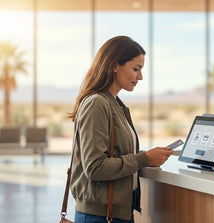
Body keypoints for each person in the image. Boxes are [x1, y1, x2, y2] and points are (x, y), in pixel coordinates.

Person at [69, 36, 173, 223]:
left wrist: (148, 156)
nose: (140, 77)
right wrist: (144, 159)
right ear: (115, 65)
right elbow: (95, 167)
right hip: (99, 217)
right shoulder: (97, 104)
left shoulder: (115, 104)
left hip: (116, 214)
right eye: (136, 69)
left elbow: (115, 153)